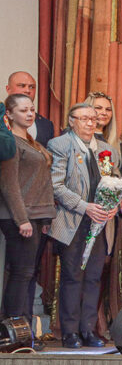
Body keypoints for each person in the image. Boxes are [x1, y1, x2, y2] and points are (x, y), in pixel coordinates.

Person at [48, 103, 122, 347]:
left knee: (94, 277)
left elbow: (116, 182)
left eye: (93, 119)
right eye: (84, 118)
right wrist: (85, 207)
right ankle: (70, 332)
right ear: (71, 121)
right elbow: (56, 185)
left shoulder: (106, 149)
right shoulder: (60, 145)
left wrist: (115, 204)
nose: (90, 123)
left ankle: (89, 330)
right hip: (73, 220)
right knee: (73, 276)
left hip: (101, 222)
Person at [0, 94, 56, 319]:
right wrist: (22, 219)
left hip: (36, 215)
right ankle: (12, 327)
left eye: (32, 109)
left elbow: (43, 182)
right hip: (19, 216)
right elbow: (9, 184)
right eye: (23, 111)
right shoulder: (10, 142)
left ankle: (24, 327)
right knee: (20, 273)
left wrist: (46, 217)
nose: (30, 114)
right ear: (9, 114)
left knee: (28, 273)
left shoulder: (33, 143)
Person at [7, 71, 55, 146]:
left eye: (31, 87)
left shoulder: (46, 125)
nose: (27, 90)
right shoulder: (1, 118)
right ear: (8, 89)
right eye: (22, 86)